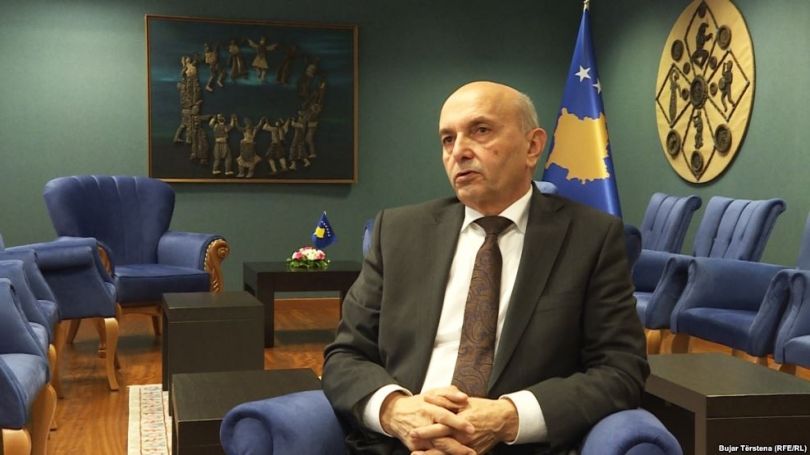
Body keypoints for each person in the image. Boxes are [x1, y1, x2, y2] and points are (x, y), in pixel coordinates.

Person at [322, 81, 648, 455]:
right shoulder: (397, 232)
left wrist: (509, 417)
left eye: (480, 130)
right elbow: (345, 355)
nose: (459, 151)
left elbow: (621, 370)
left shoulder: (591, 238)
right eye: (447, 139)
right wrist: (396, 411)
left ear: (533, 146)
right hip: (400, 444)